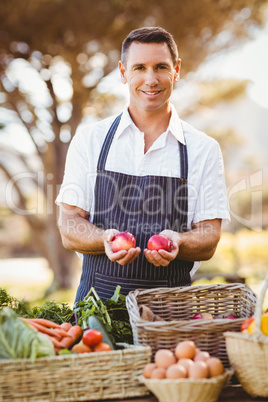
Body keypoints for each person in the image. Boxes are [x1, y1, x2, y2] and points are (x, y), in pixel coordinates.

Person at [56, 26, 230, 303]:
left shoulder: (203, 149)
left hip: (170, 315)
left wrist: (180, 242)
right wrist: (103, 239)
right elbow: (69, 224)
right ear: (124, 73)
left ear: (177, 70)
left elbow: (210, 234)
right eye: (139, 67)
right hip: (96, 310)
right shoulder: (91, 139)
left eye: (161, 66)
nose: (151, 79)